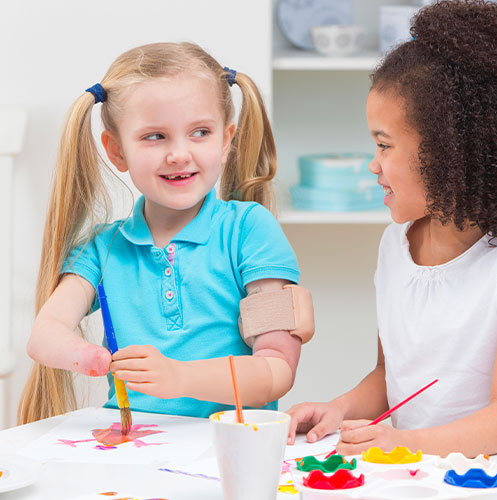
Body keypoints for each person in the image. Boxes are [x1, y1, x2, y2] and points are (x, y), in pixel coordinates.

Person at [18, 42, 314, 424]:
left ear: (226, 141)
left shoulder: (249, 230)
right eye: (154, 136)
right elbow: (44, 335)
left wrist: (180, 377)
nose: (178, 154)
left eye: (200, 132)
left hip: (228, 450)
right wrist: (94, 358)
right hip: (133, 448)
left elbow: (276, 371)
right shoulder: (103, 249)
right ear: (117, 150)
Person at [287, 0, 497, 457]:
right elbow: (392, 376)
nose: (373, 164)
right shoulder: (393, 247)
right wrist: (340, 409)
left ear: (449, 151)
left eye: (384, 145)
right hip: (411, 472)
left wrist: (402, 442)